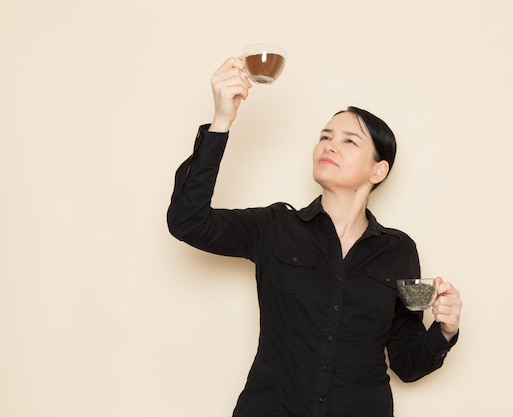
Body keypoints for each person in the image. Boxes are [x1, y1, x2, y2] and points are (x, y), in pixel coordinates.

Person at [167, 56, 463, 417]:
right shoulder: (275, 226)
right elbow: (187, 221)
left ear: (378, 170)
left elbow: (407, 362)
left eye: (349, 141)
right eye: (325, 136)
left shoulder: (400, 251)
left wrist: (445, 331)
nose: (330, 145)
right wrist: (221, 121)